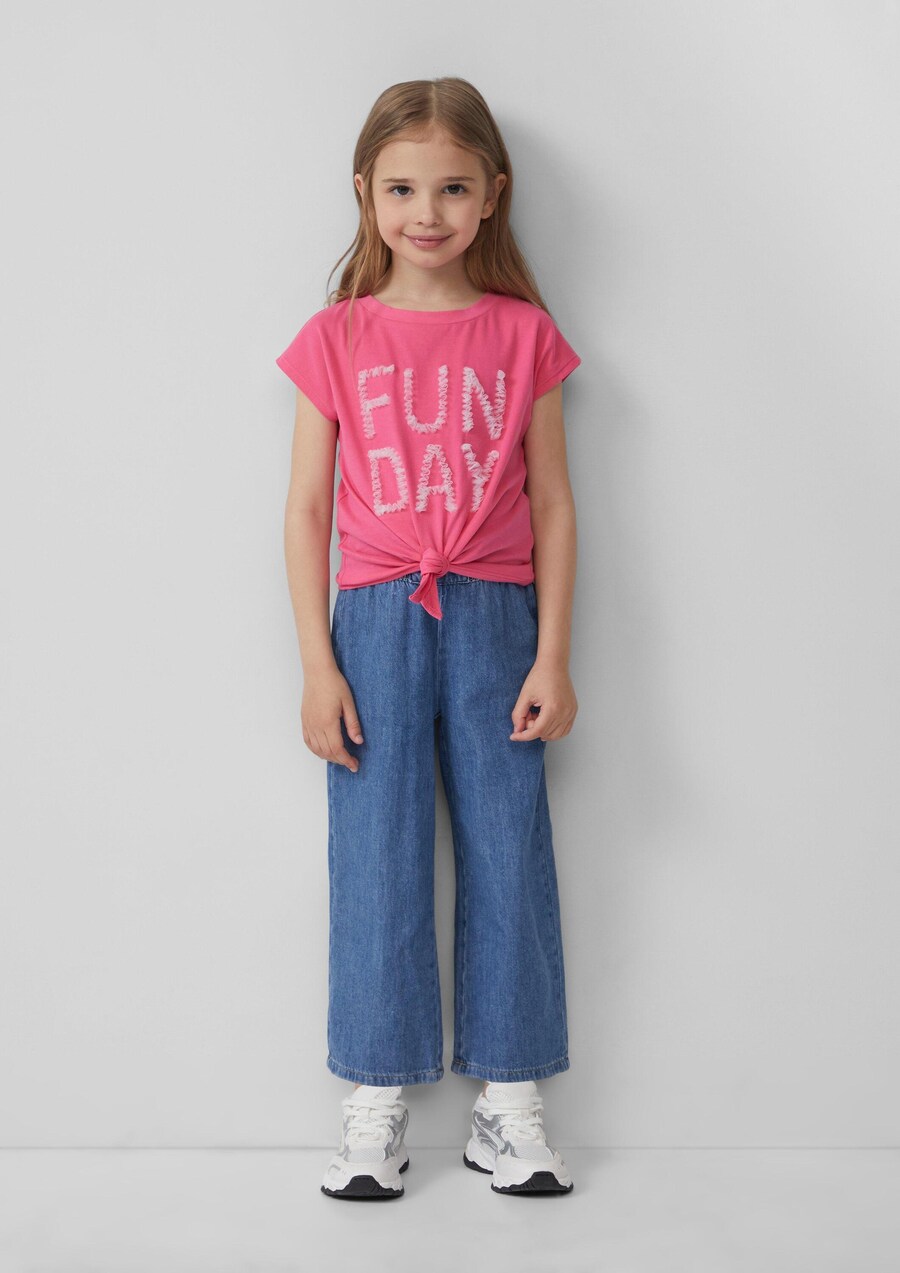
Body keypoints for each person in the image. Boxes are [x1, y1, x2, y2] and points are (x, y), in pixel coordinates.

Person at [275, 76, 580, 1200]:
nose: (428, 211)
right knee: (377, 853)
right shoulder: (337, 337)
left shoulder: (524, 336)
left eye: (454, 187)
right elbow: (308, 509)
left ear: (493, 194)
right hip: (373, 618)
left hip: (496, 616)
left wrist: (553, 655)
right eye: (403, 188)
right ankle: (375, 1099)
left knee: (508, 847)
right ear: (366, 192)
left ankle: (511, 1099)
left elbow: (553, 503)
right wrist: (318, 665)